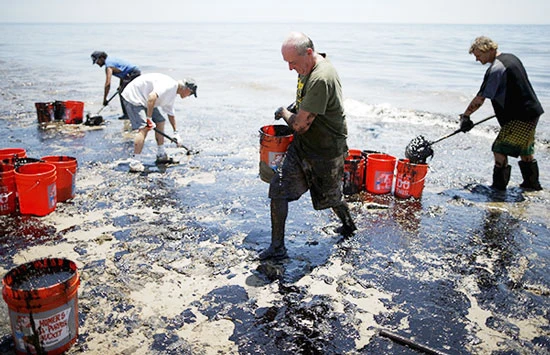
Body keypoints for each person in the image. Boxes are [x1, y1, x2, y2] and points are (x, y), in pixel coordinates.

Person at [259, 32, 357, 260]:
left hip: (326, 150)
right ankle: (277, 248)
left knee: (331, 197)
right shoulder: (307, 66)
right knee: (278, 189)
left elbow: (300, 125)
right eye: (287, 63)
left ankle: (349, 225)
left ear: (309, 53)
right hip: (302, 146)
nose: (290, 68)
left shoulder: (321, 78)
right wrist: (297, 106)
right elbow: (305, 103)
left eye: (292, 62)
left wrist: (284, 112)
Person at [460, 36, 544, 191]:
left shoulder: (496, 69)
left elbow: (480, 99)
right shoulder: (511, 58)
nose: (477, 60)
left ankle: (498, 189)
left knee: (499, 149)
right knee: (525, 150)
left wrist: (466, 116)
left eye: (479, 55)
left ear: (489, 50)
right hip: (532, 111)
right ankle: (531, 185)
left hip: (520, 116)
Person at [120, 73, 197, 172]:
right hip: (134, 96)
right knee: (144, 128)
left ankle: (161, 154)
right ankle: (135, 162)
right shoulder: (170, 86)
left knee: (160, 121)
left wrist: (176, 133)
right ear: (187, 89)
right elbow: (152, 97)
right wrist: (149, 119)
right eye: (191, 94)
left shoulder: (172, 93)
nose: (189, 96)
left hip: (145, 99)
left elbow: (170, 114)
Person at [91, 51, 142, 119]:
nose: (97, 63)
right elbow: (123, 73)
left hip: (133, 73)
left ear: (102, 58)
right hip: (131, 73)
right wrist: (121, 85)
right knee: (123, 92)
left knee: (124, 94)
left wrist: (105, 99)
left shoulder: (109, 66)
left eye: (97, 61)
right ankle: (130, 113)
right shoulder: (110, 61)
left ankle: (127, 115)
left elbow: (108, 84)